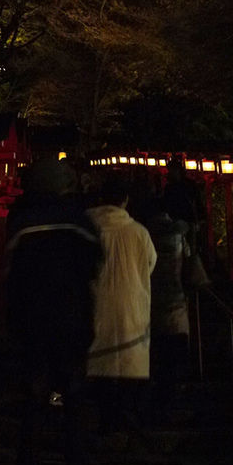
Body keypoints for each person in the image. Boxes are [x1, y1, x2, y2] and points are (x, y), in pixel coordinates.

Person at [4, 157, 103, 465]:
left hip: (32, 322)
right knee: (75, 400)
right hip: (72, 320)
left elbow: (10, 273)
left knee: (33, 398)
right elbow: (94, 267)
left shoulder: (21, 223)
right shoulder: (79, 222)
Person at [86, 175, 158, 431]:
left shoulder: (88, 229)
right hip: (131, 307)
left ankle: (103, 419)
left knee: (98, 364)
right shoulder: (139, 232)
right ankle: (125, 419)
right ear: (126, 201)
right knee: (127, 364)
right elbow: (150, 263)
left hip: (96, 305)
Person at [146, 203, 191, 425]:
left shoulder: (145, 235)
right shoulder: (178, 236)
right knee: (175, 353)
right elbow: (190, 264)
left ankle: (157, 399)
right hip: (176, 299)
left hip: (151, 301)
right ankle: (173, 395)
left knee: (158, 354)